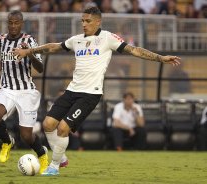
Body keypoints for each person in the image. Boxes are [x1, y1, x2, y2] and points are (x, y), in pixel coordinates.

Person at [12, 6, 181, 176]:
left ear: (98, 21)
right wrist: (29, 51)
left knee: (63, 128)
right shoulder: (76, 40)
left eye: (88, 21)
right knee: (48, 124)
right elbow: (54, 47)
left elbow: (134, 50)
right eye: (82, 21)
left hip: (90, 94)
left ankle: (54, 166)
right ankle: (62, 157)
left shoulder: (108, 38)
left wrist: (161, 58)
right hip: (72, 90)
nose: (84, 24)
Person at [0, 10, 48, 174]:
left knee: (26, 136)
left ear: (21, 24)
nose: (13, 26)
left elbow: (40, 68)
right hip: (7, 89)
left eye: (16, 23)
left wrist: (29, 53)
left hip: (26, 91)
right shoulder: (1, 39)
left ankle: (42, 154)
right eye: (10, 22)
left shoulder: (29, 40)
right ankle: (7, 141)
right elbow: (3, 60)